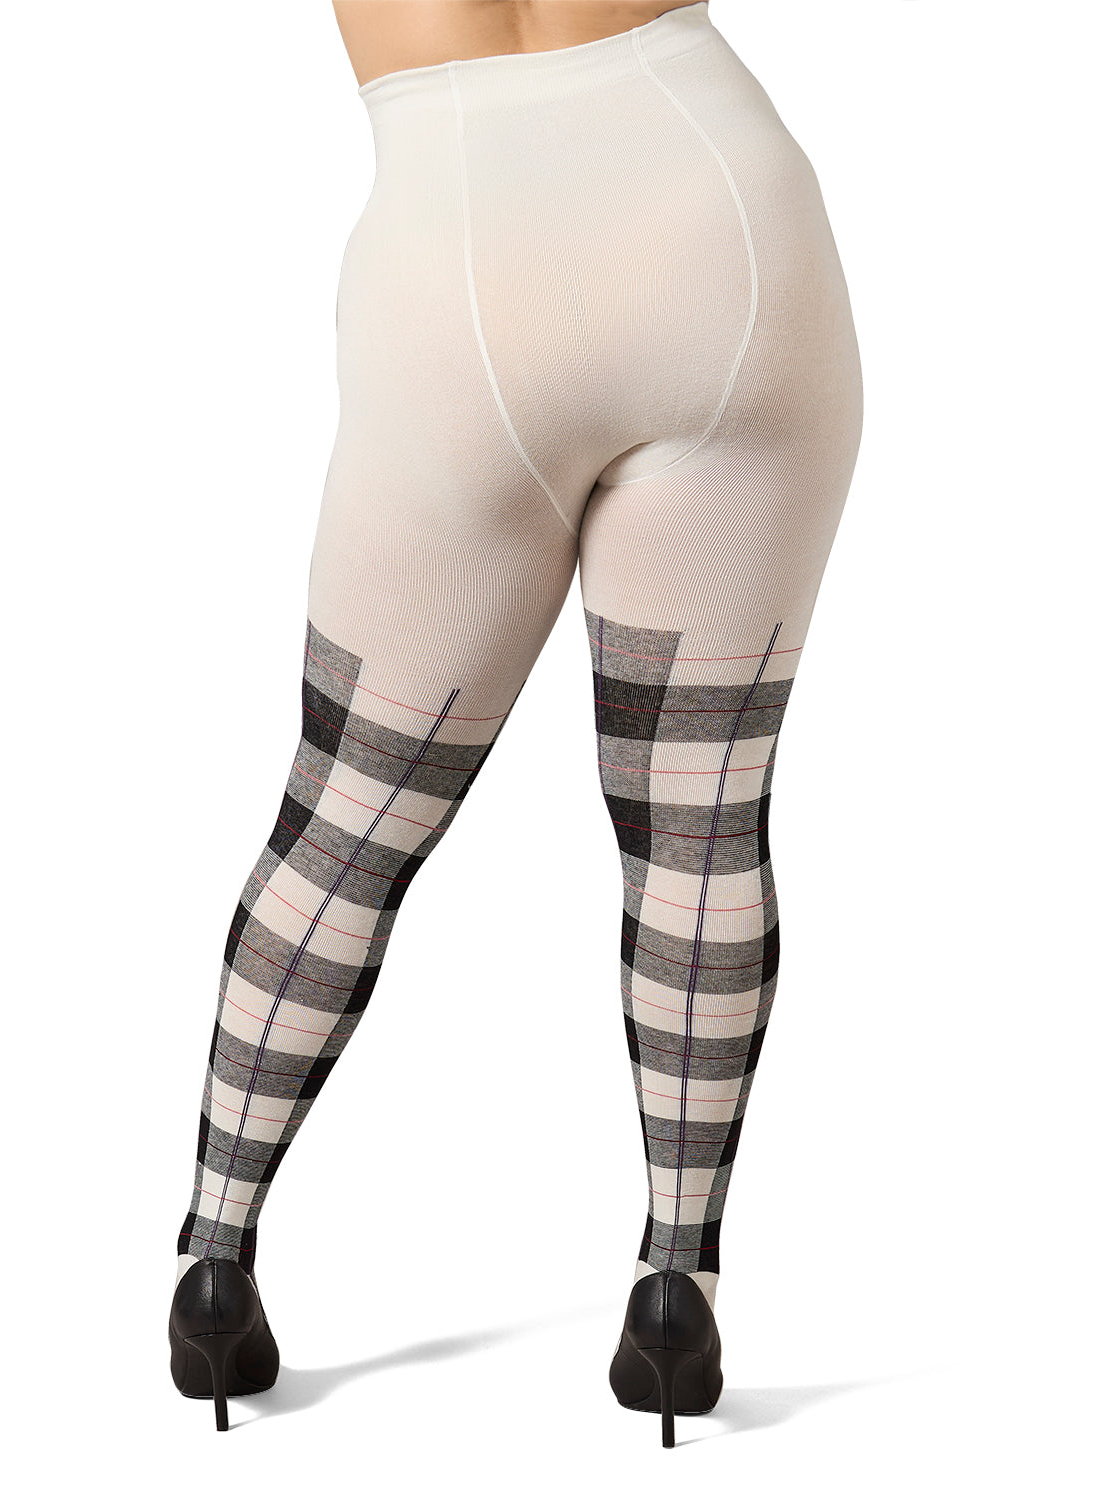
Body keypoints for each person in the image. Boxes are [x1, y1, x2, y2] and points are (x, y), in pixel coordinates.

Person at [167, 0, 863, 1446]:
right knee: (699, 820)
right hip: (716, 213)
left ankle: (215, 1264)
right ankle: (676, 1290)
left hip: (459, 239)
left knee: (346, 814)